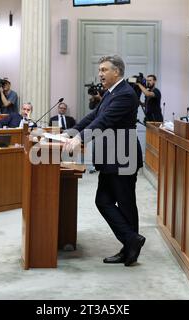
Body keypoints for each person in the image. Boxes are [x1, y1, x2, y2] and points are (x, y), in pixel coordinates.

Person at [63, 55, 144, 267]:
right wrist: (71, 132)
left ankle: (130, 247)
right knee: (104, 201)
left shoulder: (125, 94)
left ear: (116, 72)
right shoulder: (111, 93)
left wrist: (80, 138)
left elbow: (104, 121)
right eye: (99, 70)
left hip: (122, 157)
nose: (100, 74)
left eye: (104, 70)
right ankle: (131, 242)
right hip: (112, 158)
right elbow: (94, 116)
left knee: (124, 203)